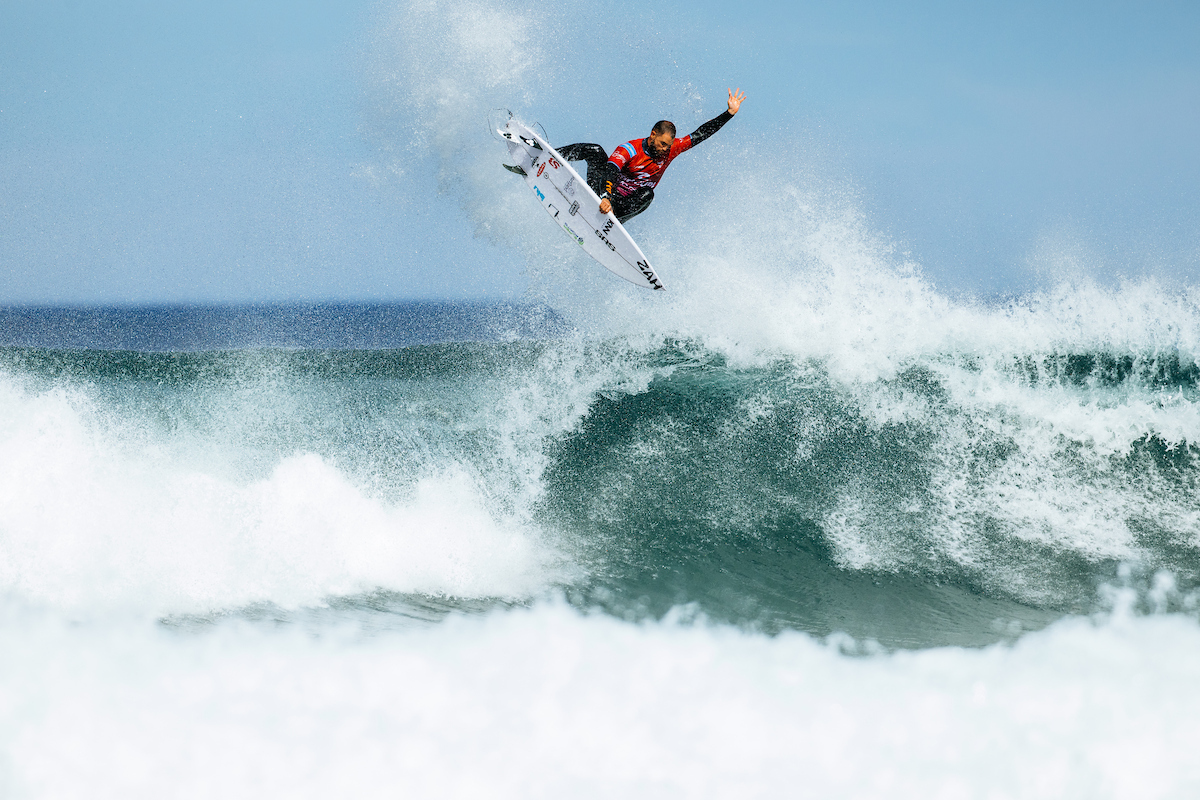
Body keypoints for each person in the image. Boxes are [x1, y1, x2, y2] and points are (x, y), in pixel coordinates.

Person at [556, 88, 747, 223]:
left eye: (668, 146)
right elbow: (610, 171)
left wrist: (728, 114)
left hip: (621, 205)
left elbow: (700, 134)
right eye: (663, 144)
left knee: (648, 195)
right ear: (653, 134)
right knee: (594, 150)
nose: (665, 149)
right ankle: (547, 155)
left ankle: (612, 224)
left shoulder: (673, 148)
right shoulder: (630, 149)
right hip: (602, 190)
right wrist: (605, 197)